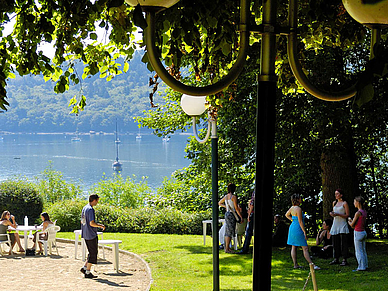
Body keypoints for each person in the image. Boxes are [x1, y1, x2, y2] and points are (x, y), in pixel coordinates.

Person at [285, 194, 320, 270]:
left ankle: (295, 264)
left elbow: (286, 215)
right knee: (305, 248)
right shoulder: (298, 209)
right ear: (297, 199)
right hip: (298, 228)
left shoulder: (292, 208)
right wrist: (304, 232)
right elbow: (300, 221)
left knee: (293, 246)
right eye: (300, 198)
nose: (301, 199)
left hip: (292, 227)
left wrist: (293, 220)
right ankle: (312, 265)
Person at [80, 194, 105, 278]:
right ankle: (87, 272)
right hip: (91, 234)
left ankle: (84, 267)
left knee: (91, 252)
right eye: (97, 200)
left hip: (85, 233)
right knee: (93, 253)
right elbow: (92, 223)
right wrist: (100, 225)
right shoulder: (90, 210)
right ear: (94, 200)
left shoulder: (85, 208)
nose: (97, 202)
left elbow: (82, 221)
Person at [218, 183, 242, 254]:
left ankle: (227, 248)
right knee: (230, 231)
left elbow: (219, 203)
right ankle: (227, 248)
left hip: (227, 214)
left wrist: (226, 207)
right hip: (232, 214)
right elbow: (236, 208)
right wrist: (240, 217)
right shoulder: (233, 197)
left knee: (227, 231)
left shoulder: (226, 197)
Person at [329, 188, 350, 266]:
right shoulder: (334, 203)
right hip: (336, 223)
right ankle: (336, 258)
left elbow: (347, 215)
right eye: (335, 194)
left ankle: (344, 258)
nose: (336, 195)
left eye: (337, 194)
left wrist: (338, 214)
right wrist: (332, 214)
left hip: (342, 223)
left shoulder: (344, 203)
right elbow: (334, 211)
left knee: (343, 242)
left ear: (341, 195)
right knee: (335, 242)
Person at [348, 196, 368, 271]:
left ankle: (361, 267)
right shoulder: (364, 212)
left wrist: (349, 221)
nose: (354, 203)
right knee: (363, 250)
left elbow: (352, 224)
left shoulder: (358, 213)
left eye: (354, 202)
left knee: (358, 251)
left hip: (358, 233)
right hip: (363, 232)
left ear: (358, 203)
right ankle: (365, 265)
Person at [237, 190, 255, 254]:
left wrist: (249, 215)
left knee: (249, 231)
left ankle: (245, 249)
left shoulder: (254, 193)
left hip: (253, 214)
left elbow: (252, 204)